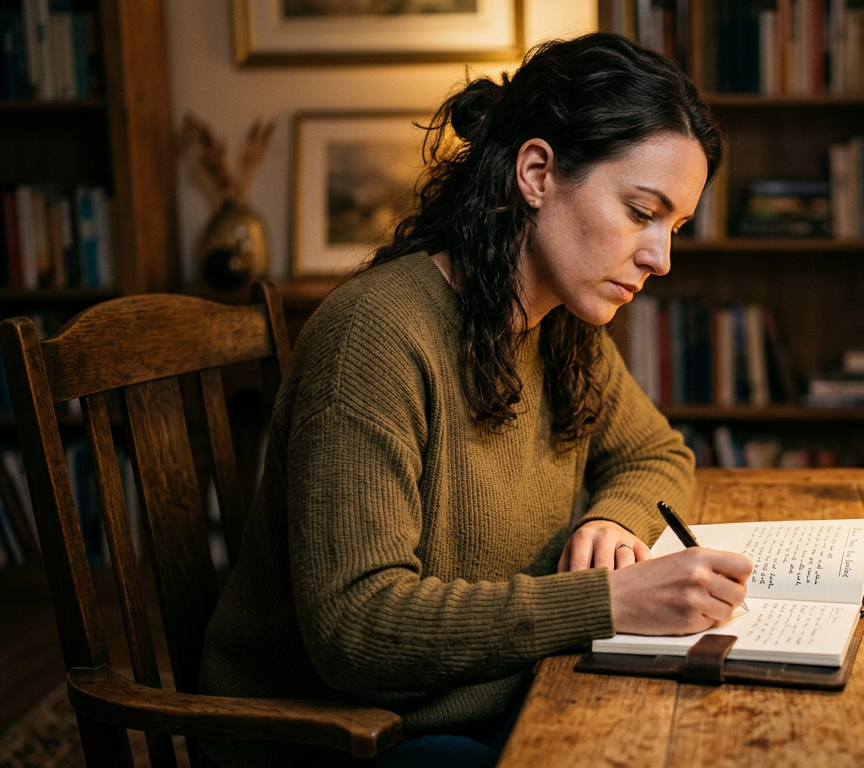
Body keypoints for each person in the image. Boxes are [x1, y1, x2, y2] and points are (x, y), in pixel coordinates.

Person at [197, 33, 753, 768]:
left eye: (673, 228)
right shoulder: (376, 334)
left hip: (511, 693)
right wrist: (611, 602)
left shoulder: (563, 325)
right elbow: (354, 628)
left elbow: (656, 452)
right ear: (536, 173)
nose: (661, 257)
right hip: (343, 737)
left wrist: (616, 517)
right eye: (639, 211)